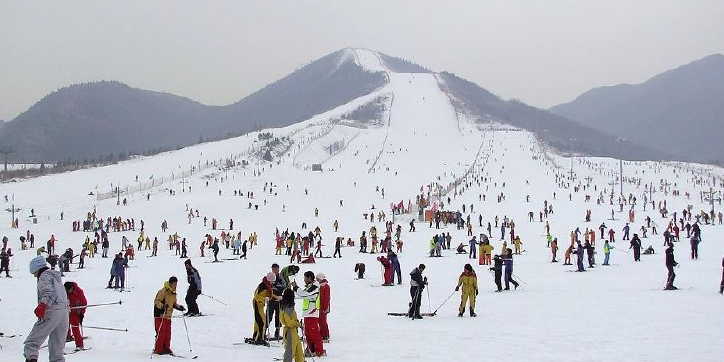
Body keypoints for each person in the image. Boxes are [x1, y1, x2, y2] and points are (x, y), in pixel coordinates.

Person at [24, 256, 70, 362]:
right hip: (64, 313)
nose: (34, 275)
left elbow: (49, 293)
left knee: (32, 343)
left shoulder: (44, 276)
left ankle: (31, 359)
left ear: (37, 269)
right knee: (57, 350)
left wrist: (42, 305)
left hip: (51, 311)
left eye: (33, 272)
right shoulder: (56, 278)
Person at [293, 271, 325, 356]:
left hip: (312, 313)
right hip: (307, 314)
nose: (304, 280)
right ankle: (311, 350)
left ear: (309, 278)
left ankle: (319, 351)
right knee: (308, 334)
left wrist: (296, 287)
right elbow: (301, 295)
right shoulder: (310, 286)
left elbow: (304, 294)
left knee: (314, 334)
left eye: (305, 278)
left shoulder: (314, 287)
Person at [153, 276, 186, 355]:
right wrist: (162, 306)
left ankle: (166, 347)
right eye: (174, 283)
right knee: (161, 333)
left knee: (168, 333)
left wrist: (179, 307)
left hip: (168, 315)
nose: (175, 285)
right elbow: (157, 301)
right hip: (160, 315)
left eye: (176, 284)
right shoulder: (163, 291)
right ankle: (158, 349)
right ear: (170, 283)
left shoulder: (173, 292)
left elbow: (173, 303)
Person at [251, 272, 277, 345]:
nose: (273, 282)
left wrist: (276, 298)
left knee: (258, 320)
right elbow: (257, 296)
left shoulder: (268, 285)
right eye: (273, 281)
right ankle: (259, 338)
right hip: (257, 304)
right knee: (262, 321)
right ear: (269, 280)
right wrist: (264, 298)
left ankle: (256, 335)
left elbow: (270, 295)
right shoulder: (263, 286)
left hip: (260, 304)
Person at [280, 289, 304, 362]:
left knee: (299, 351)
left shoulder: (289, 306)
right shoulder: (287, 308)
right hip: (290, 332)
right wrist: (298, 324)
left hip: (294, 332)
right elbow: (289, 323)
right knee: (290, 351)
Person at [64, 282, 87, 351]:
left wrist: (81, 313)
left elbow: (84, 303)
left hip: (75, 312)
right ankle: (67, 336)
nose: (68, 292)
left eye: (69, 290)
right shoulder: (63, 291)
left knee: (75, 328)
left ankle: (79, 345)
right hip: (66, 311)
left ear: (72, 288)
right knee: (64, 326)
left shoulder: (78, 292)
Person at [267, 264, 286, 340]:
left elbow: (284, 285)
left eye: (277, 269)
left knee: (278, 316)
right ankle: (264, 331)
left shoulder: (281, 277)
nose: (275, 270)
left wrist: (276, 286)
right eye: (274, 269)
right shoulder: (270, 276)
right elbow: (268, 286)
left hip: (279, 299)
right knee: (269, 315)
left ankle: (277, 332)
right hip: (271, 299)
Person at [317, 273, 331, 342]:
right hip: (320, 307)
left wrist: (324, 307)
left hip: (323, 307)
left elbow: (326, 298)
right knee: (321, 321)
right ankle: (323, 333)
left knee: (322, 321)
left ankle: (325, 335)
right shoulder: (321, 286)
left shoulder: (325, 286)